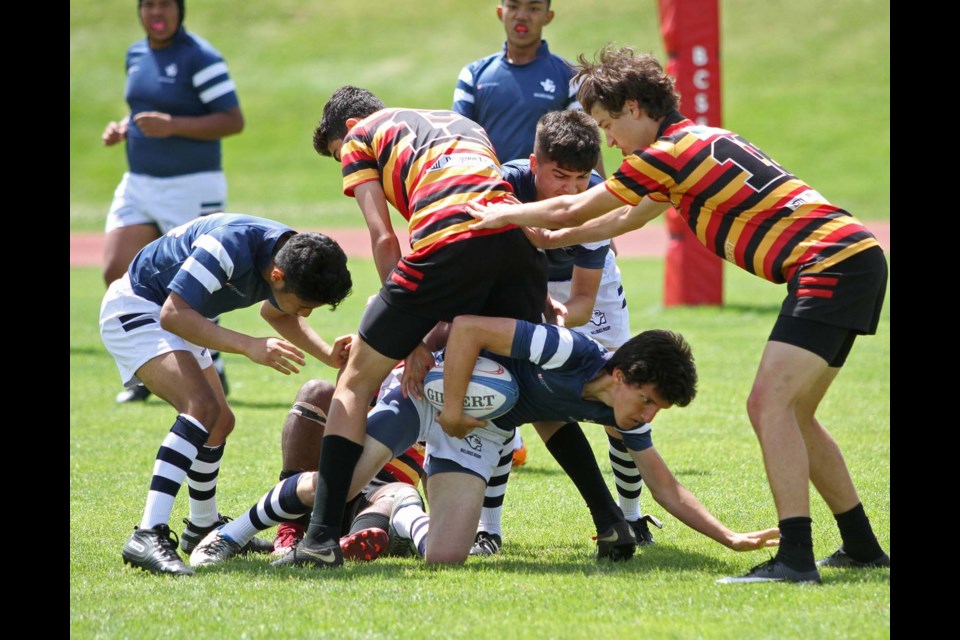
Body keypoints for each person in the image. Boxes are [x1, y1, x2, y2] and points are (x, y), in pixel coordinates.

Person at [468, 46, 890, 584]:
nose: (611, 144)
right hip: (851, 257)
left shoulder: (665, 154)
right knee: (795, 412)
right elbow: (624, 218)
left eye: (609, 126)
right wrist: (558, 237)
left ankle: (795, 559)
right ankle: (859, 545)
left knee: (769, 405)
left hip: (828, 265)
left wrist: (499, 214)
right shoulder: (696, 141)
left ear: (637, 107)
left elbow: (578, 205)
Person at [188, 317, 779, 568]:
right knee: (334, 482)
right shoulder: (566, 351)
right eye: (648, 400)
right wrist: (446, 409)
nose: (647, 415)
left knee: (445, 555)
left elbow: (665, 484)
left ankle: (397, 519)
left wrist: (727, 536)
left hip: (481, 426)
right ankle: (230, 534)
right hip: (430, 391)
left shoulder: (621, 413)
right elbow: (468, 328)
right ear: (623, 375)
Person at [282, 84, 556, 569]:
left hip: (447, 242)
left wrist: (410, 336)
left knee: (353, 382)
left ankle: (319, 538)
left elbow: (385, 237)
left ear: (346, 131)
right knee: (530, 381)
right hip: (513, 244)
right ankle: (611, 519)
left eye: (336, 156)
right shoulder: (459, 123)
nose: (343, 164)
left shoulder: (360, 135)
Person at [100, 213, 354, 575]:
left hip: (180, 314)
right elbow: (173, 315)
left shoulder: (290, 253)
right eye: (304, 306)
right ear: (276, 276)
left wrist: (328, 355)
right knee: (201, 408)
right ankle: (147, 533)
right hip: (139, 307)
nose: (306, 314)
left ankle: (202, 527)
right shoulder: (227, 246)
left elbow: (277, 311)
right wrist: (248, 345)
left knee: (220, 421)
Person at [469, 109, 657, 558]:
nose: (572, 191)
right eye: (560, 177)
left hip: (587, 292)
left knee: (623, 401)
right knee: (503, 395)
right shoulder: (501, 187)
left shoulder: (596, 196)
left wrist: (548, 322)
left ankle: (630, 516)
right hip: (523, 284)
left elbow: (583, 304)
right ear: (534, 165)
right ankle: (487, 529)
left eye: (581, 179)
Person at [102, 0, 244, 403]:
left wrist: (173, 126)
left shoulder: (199, 57)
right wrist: (125, 128)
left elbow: (233, 120)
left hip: (191, 185)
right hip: (140, 182)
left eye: (165, 4)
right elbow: (142, 109)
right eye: (148, 4)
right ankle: (149, 366)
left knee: (198, 280)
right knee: (117, 269)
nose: (155, 12)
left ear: (180, 10)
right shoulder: (136, 54)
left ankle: (210, 362)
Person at [266, 377, 428, 558]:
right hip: (331, 483)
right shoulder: (374, 360)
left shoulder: (438, 387)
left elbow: (436, 468)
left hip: (379, 493)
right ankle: (290, 529)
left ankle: (351, 542)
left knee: (402, 494)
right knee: (316, 390)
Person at [453, 1, 593, 168]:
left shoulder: (572, 78)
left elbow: (587, 147)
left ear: (548, 17)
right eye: (513, 6)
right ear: (500, 13)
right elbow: (458, 141)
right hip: (490, 188)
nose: (521, 16)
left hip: (547, 193)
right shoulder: (472, 75)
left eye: (533, 8)